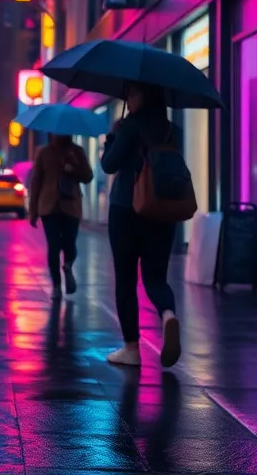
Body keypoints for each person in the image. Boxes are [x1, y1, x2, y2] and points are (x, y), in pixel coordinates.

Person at [100, 82, 182, 369]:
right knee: (156, 277)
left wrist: (113, 136)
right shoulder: (172, 129)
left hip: (127, 209)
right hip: (162, 211)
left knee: (126, 279)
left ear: (145, 96)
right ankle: (168, 315)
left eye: (133, 93)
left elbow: (109, 165)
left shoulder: (130, 127)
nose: (129, 98)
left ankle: (132, 349)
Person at [28, 133, 94, 299]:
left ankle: (68, 265)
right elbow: (36, 182)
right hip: (49, 207)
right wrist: (33, 211)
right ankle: (56, 286)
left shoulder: (77, 152)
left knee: (69, 243)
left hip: (70, 206)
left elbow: (88, 176)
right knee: (53, 246)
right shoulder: (43, 152)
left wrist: (75, 167)